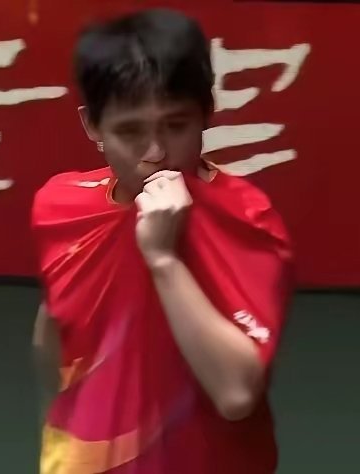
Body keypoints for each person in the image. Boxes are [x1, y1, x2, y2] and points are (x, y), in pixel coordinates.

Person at [31, 8, 293, 474]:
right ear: (92, 125)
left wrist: (163, 260)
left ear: (206, 113)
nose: (155, 153)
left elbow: (236, 393)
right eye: (130, 131)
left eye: (175, 126)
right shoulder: (61, 204)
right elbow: (55, 349)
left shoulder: (246, 217)